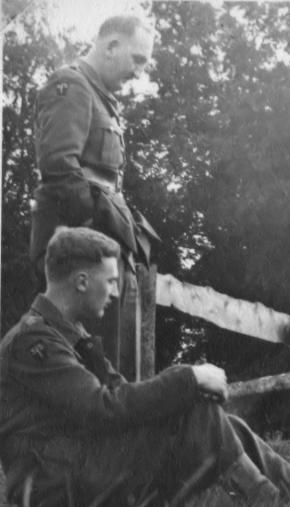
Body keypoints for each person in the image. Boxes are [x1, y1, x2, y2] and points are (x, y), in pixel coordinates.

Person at [0, 228, 290, 507]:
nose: (114, 293)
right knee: (199, 411)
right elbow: (103, 408)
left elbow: (115, 395)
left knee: (229, 425)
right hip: (54, 486)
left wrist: (188, 386)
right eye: (110, 282)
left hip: (77, 465)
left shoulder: (67, 335)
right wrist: (188, 378)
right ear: (80, 281)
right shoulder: (33, 341)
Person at [31, 15, 160, 380]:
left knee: (110, 360)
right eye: (136, 59)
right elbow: (58, 166)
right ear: (111, 46)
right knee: (82, 363)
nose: (138, 72)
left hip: (99, 245)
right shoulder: (70, 84)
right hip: (78, 248)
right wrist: (93, 239)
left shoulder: (103, 99)